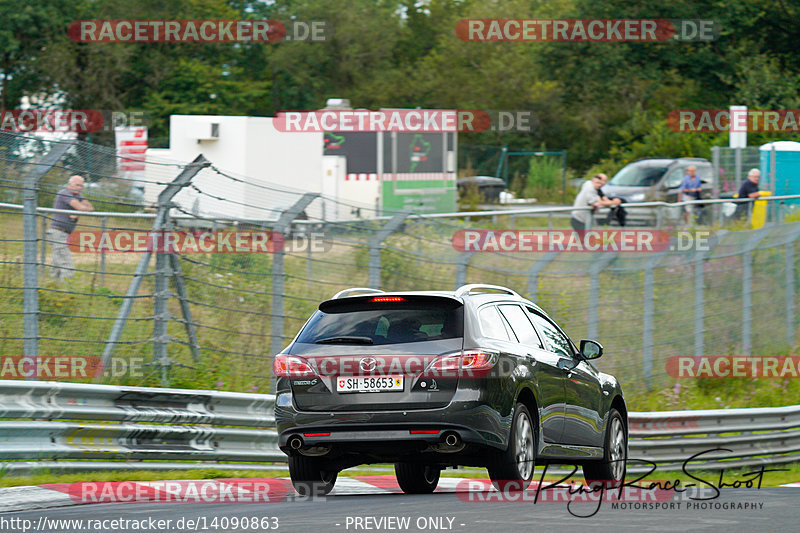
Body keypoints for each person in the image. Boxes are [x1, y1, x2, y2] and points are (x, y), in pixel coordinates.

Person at [48, 175, 93, 281]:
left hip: (66, 234)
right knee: (66, 264)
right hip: (58, 232)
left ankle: (52, 287)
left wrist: (78, 212)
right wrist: (80, 210)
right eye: (77, 185)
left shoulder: (78, 196)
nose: (79, 188)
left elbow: (91, 208)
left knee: (57, 265)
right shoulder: (64, 193)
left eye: (81, 186)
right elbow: (81, 207)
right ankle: (66, 289)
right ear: (70, 184)